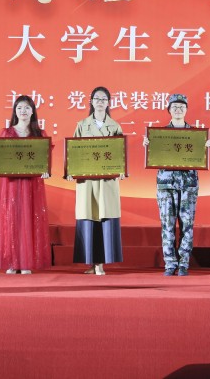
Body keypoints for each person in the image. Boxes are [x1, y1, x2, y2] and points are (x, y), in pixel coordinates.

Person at [143, 94, 210, 276]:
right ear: (169, 110)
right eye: (174, 107)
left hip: (188, 185)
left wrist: (204, 148)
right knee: (167, 224)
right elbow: (154, 156)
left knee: (187, 224)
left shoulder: (196, 136)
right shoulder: (159, 135)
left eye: (182, 107)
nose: (178, 110)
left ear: (187, 110)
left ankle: (183, 263)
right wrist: (149, 145)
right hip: (166, 184)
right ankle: (170, 263)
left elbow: (199, 157)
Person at [0, 95, 51, 275]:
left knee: (29, 219)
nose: (23, 111)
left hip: (32, 184)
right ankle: (12, 262)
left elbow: (45, 159)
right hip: (11, 185)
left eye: (27, 108)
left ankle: (25, 263)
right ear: (15, 112)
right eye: (19, 108)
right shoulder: (6, 133)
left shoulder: (40, 134)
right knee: (11, 219)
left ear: (33, 111)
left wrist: (45, 170)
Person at [68, 86, 124, 276]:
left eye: (103, 99)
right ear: (91, 102)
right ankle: (92, 264)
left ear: (108, 103)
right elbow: (73, 152)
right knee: (89, 219)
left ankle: (100, 265)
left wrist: (121, 169)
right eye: (97, 99)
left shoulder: (115, 126)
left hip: (106, 182)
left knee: (104, 219)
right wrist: (71, 171)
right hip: (87, 181)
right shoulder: (81, 125)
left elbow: (120, 153)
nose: (100, 102)